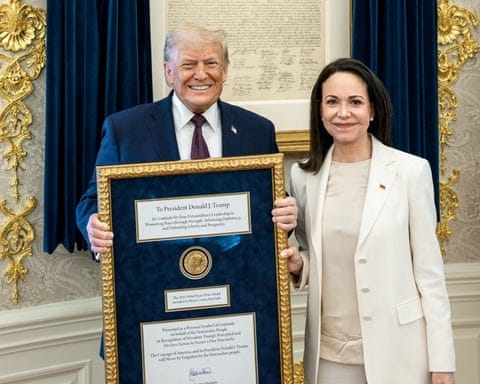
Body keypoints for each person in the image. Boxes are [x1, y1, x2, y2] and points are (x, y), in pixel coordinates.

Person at [280, 58, 455, 384]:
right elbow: (310, 254)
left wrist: (442, 362)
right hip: (329, 355)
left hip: (399, 351)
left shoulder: (410, 172)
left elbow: (430, 275)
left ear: (372, 110)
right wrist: (297, 264)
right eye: (332, 102)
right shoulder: (303, 176)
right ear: (320, 110)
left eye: (355, 102)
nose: (342, 113)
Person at [76, 24, 297, 252]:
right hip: (154, 274)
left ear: (225, 70)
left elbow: (272, 205)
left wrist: (286, 215)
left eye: (211, 63)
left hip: (236, 275)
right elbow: (93, 201)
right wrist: (93, 226)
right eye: (188, 65)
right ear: (169, 72)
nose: (201, 74)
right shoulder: (125, 131)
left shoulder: (257, 131)